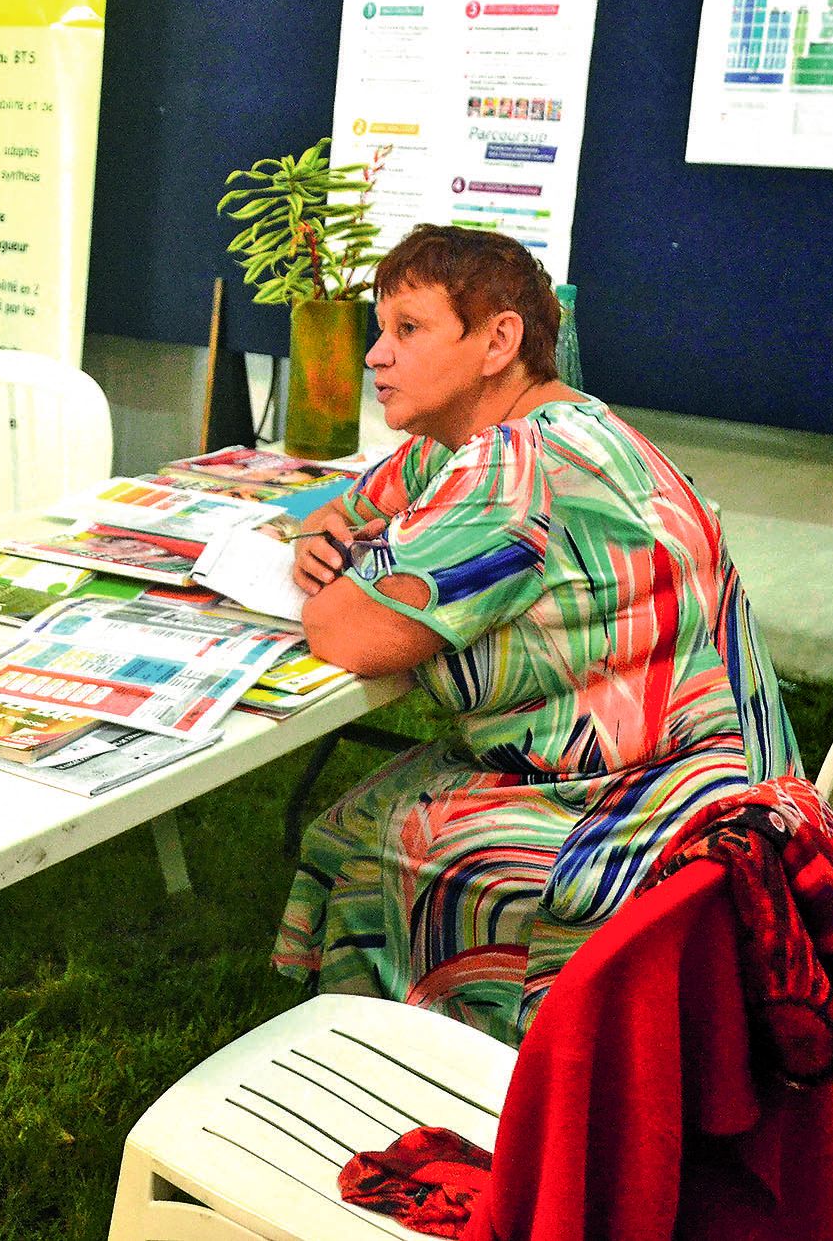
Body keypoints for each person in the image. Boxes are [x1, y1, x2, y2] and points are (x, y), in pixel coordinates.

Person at [273, 224, 798, 1044]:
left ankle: (430, 1070)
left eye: (406, 329)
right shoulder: (555, 423)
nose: (376, 354)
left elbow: (344, 632)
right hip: (731, 786)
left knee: (364, 838)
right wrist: (325, 538)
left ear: (497, 340)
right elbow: (346, 508)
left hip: (647, 820)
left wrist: (336, 574)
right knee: (362, 811)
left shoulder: (510, 467)